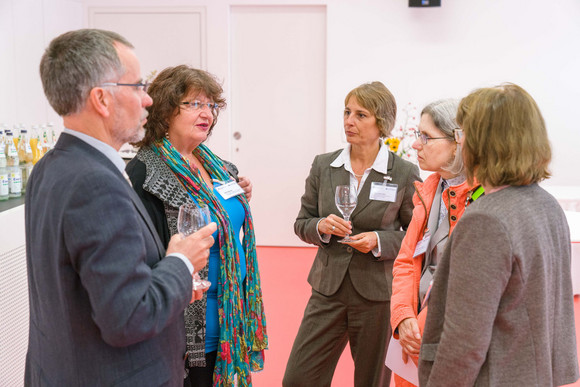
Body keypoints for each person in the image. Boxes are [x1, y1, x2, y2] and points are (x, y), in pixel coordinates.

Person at [26, 29, 216, 386]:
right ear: (102, 99)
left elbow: (91, 289)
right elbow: (129, 317)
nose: (147, 100)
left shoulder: (50, 166)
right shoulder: (95, 183)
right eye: (138, 87)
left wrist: (171, 281)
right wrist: (181, 261)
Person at [418, 83, 580, 386]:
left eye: (462, 134)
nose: (460, 143)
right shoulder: (546, 206)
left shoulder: (486, 220)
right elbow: (559, 319)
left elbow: (464, 343)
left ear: (483, 142)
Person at [125, 64, 267, 387]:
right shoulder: (145, 173)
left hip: (232, 323)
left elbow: (226, 219)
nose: (207, 113)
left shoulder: (219, 166)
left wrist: (241, 197)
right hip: (188, 332)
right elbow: (142, 256)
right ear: (165, 110)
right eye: (194, 104)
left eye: (211, 105)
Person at [283, 81, 420, 387]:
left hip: (376, 295)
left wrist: (379, 240)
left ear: (381, 122)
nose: (349, 121)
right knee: (298, 379)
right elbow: (302, 221)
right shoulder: (324, 165)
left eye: (361, 115)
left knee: (371, 382)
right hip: (327, 290)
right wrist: (320, 227)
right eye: (347, 112)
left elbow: (415, 236)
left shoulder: (403, 173)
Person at [389, 99, 482, 387]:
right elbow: (406, 261)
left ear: (458, 141)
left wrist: (421, 326)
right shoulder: (428, 191)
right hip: (414, 337)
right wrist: (403, 317)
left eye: (426, 137)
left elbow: (472, 282)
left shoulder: (484, 198)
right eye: (418, 135)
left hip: (452, 343)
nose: (416, 145)